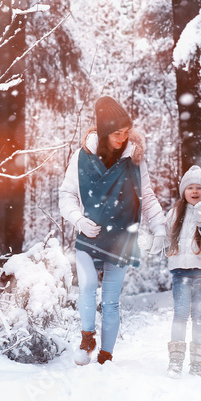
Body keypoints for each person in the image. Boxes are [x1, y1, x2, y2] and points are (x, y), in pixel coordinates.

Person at [59, 96, 169, 365]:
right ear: (105, 132)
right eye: (117, 133)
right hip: (90, 235)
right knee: (86, 285)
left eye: (126, 132)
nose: (123, 138)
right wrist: (78, 220)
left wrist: (160, 229)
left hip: (121, 237)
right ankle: (87, 338)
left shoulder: (135, 159)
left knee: (110, 301)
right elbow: (66, 195)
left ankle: (105, 356)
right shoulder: (81, 156)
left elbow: (148, 196)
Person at [164, 165, 201, 376]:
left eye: (199, 187)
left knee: (199, 316)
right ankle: (175, 361)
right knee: (180, 315)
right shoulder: (174, 213)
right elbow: (163, 238)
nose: (195, 191)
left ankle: (197, 363)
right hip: (180, 272)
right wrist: (150, 242)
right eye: (190, 187)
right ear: (184, 192)